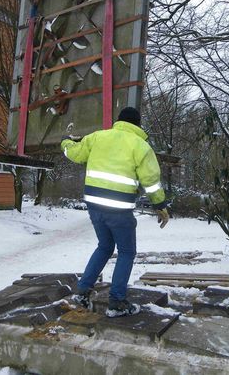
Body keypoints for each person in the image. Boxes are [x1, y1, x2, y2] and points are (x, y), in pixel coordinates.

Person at [61, 107, 170, 317]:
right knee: (127, 252)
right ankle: (117, 301)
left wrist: (66, 141)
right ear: (138, 125)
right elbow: (151, 182)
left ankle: (83, 291)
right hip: (119, 209)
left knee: (104, 246)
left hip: (94, 205)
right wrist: (160, 205)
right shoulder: (141, 145)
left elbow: (74, 153)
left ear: (118, 121)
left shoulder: (97, 137)